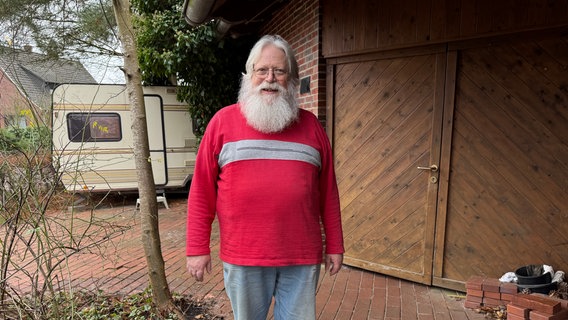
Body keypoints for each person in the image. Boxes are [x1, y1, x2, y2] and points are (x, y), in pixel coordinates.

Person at [186, 34, 344, 320]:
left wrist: (335, 244)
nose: (269, 78)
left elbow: (328, 193)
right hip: (244, 255)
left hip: (301, 254)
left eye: (279, 71)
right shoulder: (222, 122)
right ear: (249, 75)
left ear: (292, 79)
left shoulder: (311, 127)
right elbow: (201, 191)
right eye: (262, 70)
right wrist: (197, 247)